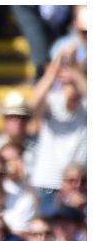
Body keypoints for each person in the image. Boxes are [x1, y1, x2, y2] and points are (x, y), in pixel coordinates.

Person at [27, 47, 87, 216]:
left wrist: (74, 71)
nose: (69, 86)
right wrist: (53, 71)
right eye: (65, 83)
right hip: (47, 184)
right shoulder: (53, 101)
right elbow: (31, 106)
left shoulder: (86, 105)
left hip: (79, 184)